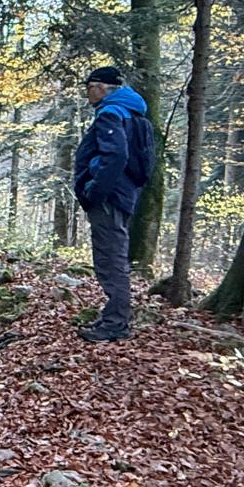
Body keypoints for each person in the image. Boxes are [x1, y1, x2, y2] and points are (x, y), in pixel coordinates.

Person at [74, 66, 151, 342]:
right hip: (124, 194)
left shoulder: (111, 113)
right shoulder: (135, 114)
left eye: (89, 88)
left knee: (110, 259)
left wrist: (94, 191)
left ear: (102, 88)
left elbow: (116, 156)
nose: (88, 94)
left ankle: (115, 324)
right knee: (114, 255)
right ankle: (115, 317)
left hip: (109, 197)